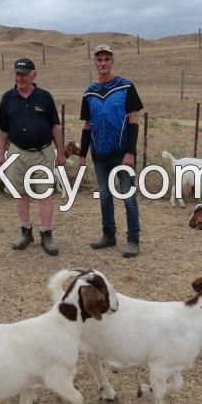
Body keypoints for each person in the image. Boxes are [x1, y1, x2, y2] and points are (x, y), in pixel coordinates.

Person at [79, 44, 143, 258]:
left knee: (128, 196)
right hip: (100, 154)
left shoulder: (125, 87)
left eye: (107, 59)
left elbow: (134, 121)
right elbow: (87, 126)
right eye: (99, 60)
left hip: (123, 153)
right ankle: (109, 235)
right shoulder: (89, 93)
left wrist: (130, 152)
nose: (103, 63)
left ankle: (133, 240)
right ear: (95, 63)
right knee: (105, 195)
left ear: (112, 61)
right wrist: (82, 155)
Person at [0, 58, 65, 256]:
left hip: (43, 152)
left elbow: (55, 126)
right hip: (17, 152)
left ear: (34, 75)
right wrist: (1, 153)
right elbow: (4, 129)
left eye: (24, 74)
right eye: (17, 74)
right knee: (21, 193)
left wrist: (60, 151)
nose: (20, 78)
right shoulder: (7, 98)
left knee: (45, 194)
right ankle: (26, 232)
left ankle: (47, 234)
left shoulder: (45, 97)